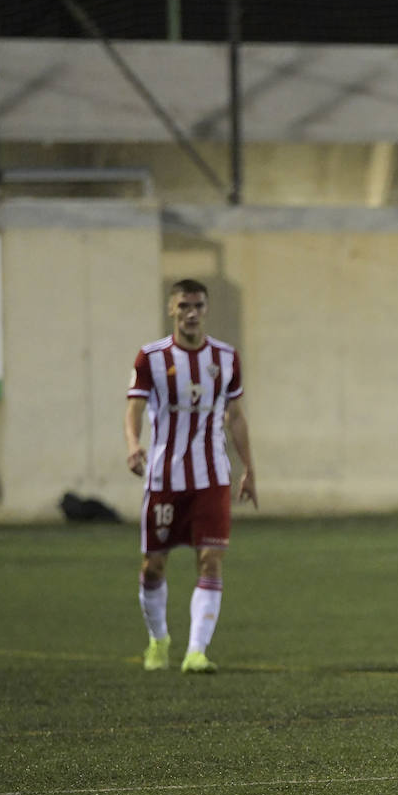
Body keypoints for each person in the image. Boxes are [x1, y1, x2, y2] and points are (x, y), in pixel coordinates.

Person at [125, 279, 257, 674]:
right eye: (184, 305)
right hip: (164, 478)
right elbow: (133, 406)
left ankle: (196, 651)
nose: (191, 312)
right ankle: (158, 639)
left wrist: (249, 467)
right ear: (172, 309)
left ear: (206, 309)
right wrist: (133, 443)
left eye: (198, 305)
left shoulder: (226, 358)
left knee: (211, 560)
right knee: (153, 566)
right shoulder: (150, 358)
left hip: (211, 476)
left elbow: (235, 415)